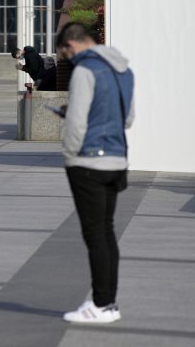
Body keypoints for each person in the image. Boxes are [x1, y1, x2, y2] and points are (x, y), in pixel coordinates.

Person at [56, 22, 135, 325]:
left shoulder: (85, 70)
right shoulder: (124, 70)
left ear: (71, 44)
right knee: (106, 231)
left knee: (95, 235)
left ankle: (101, 305)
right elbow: (127, 119)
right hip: (117, 160)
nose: (68, 60)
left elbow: (76, 123)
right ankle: (109, 303)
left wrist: (69, 156)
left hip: (88, 162)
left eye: (65, 54)